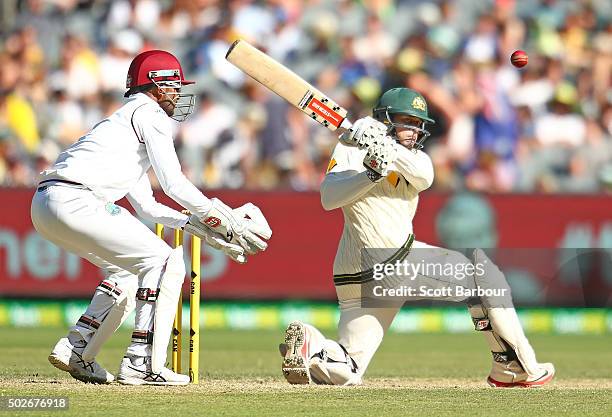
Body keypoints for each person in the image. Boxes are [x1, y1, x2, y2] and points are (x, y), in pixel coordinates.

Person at [279, 87, 554, 388]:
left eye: (418, 123)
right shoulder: (352, 147)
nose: (415, 130)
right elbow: (329, 198)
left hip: (364, 271)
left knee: (350, 366)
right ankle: (513, 367)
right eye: (407, 120)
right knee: (483, 275)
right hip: (389, 261)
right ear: (386, 119)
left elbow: (425, 177)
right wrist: (368, 174)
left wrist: (386, 150)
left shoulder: (414, 157)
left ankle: (313, 347)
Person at [31, 50, 271, 385]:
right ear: (157, 85)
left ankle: (77, 347)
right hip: (76, 199)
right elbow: (174, 183)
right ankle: (141, 363)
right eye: (175, 86)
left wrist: (194, 225)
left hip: (46, 204)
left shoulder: (124, 126)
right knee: (165, 262)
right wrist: (222, 219)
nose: (178, 94)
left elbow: (148, 206)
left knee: (129, 272)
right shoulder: (151, 114)